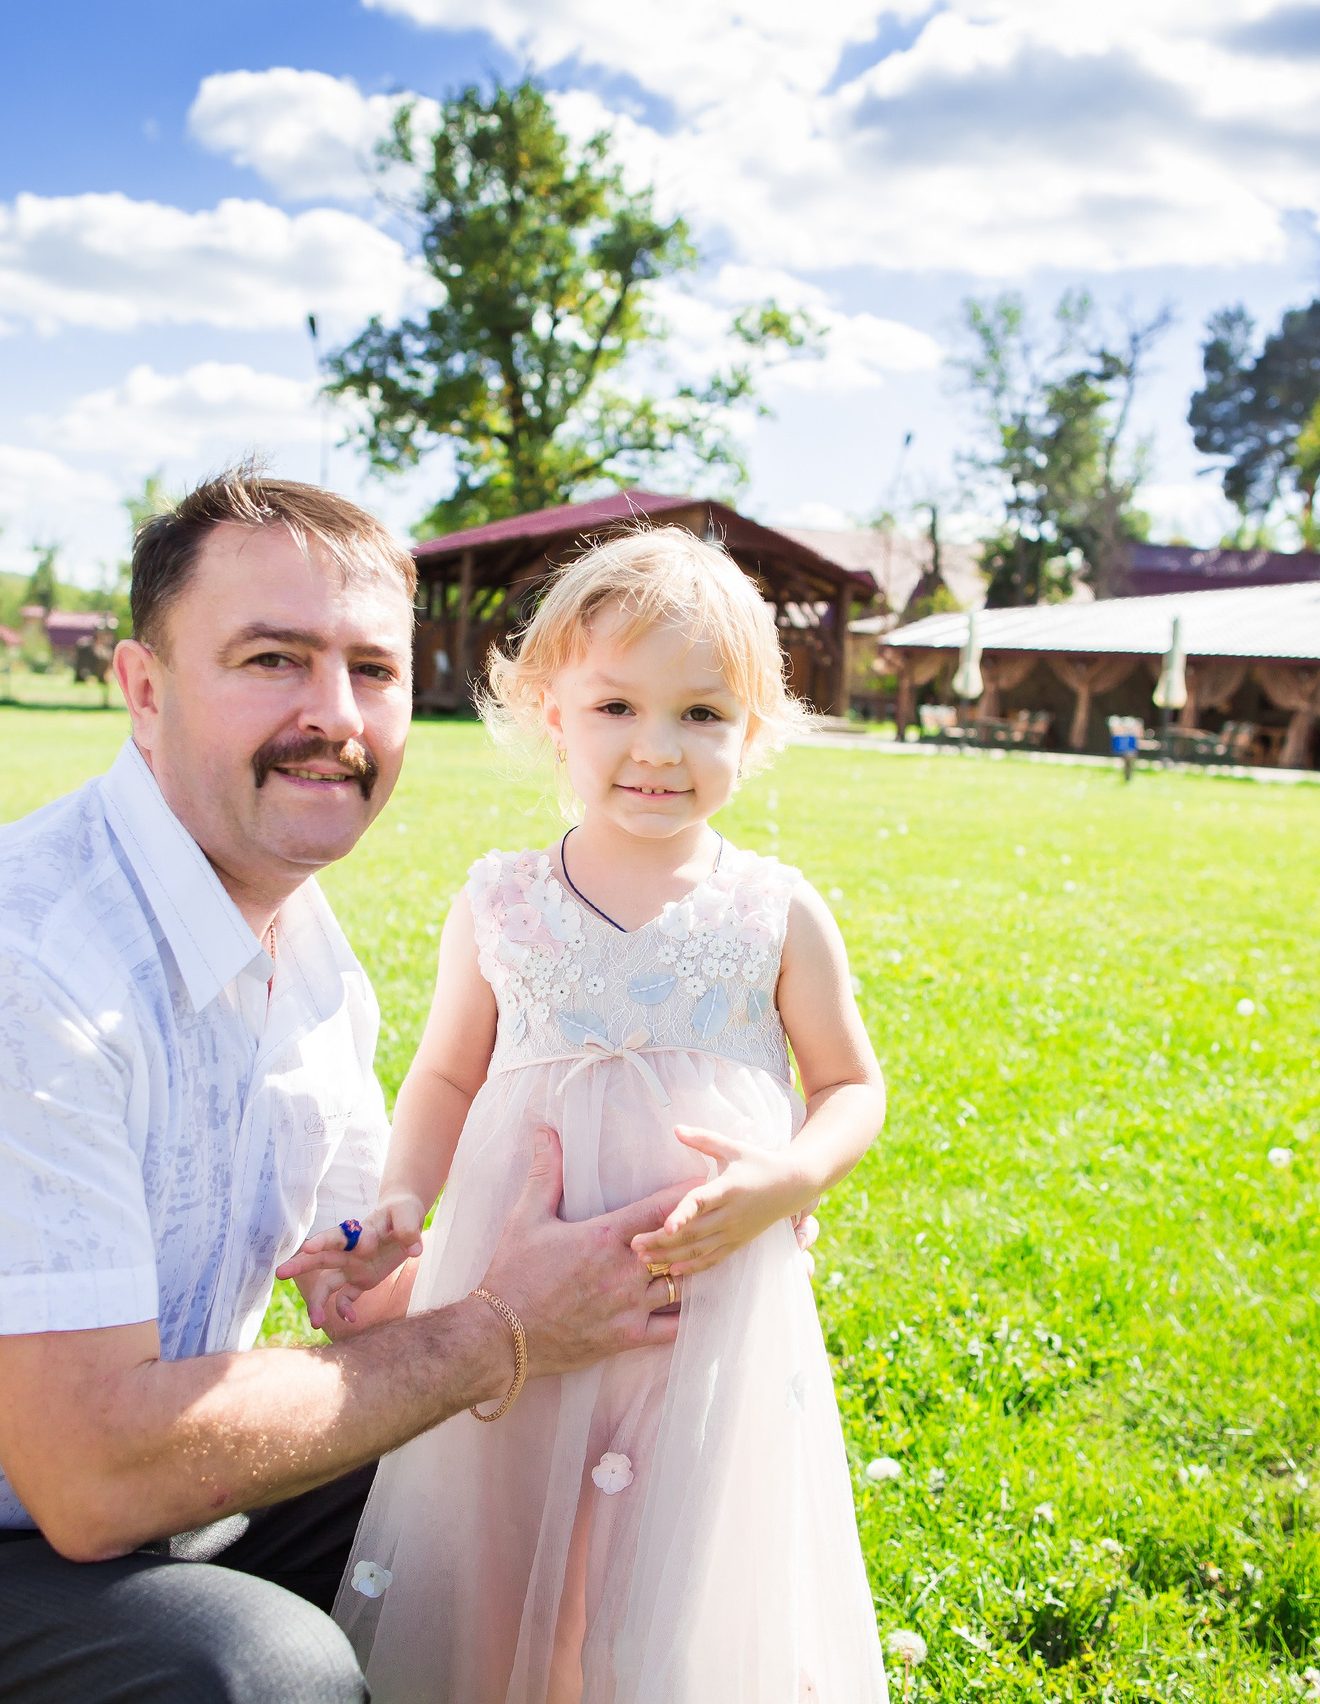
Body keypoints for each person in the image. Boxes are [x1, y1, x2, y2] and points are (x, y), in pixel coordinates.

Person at [0, 468, 693, 1704]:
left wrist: (647, 1240)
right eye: (272, 659)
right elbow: (93, 1475)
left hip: (150, 1532)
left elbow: (369, 1282)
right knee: (257, 1675)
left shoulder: (305, 951)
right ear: (143, 690)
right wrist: (497, 1331)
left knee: (540, 1465)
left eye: (371, 670)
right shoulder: (3, 958)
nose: (335, 716)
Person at [280, 526, 892, 1702]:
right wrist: (404, 1198)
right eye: (617, 706)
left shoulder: (775, 910)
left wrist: (792, 1176)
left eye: (702, 714)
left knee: (670, 1557)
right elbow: (446, 1075)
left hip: (702, 1295)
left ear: (754, 730)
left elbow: (849, 1085)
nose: (657, 748)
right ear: (549, 713)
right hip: (515, 1281)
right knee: (504, 1540)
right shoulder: (502, 901)